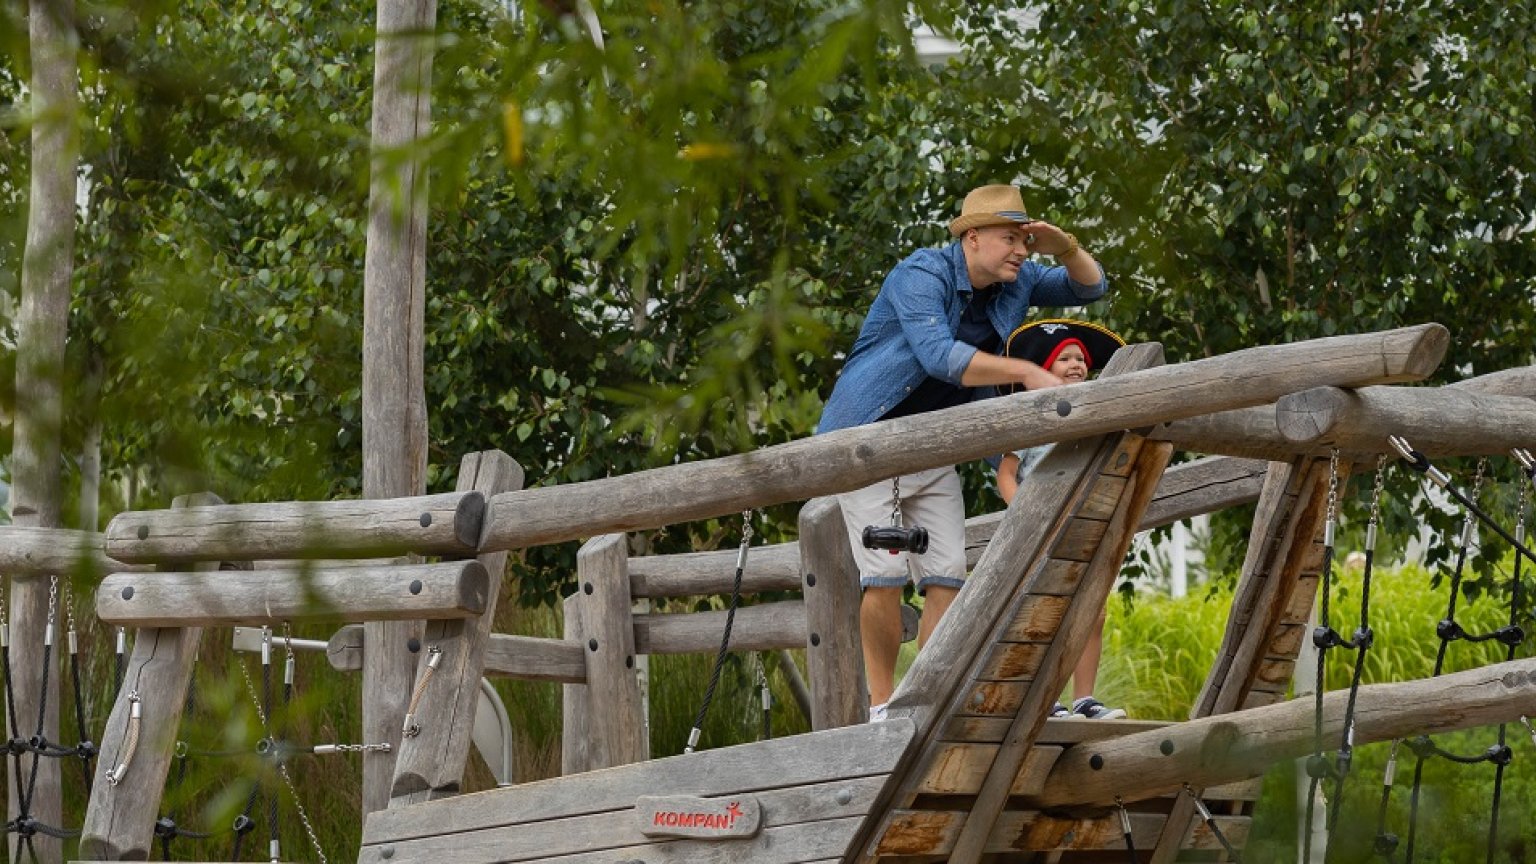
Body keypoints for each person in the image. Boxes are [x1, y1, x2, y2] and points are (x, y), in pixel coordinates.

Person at [816, 184, 1110, 722]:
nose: (1020, 250)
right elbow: (937, 357)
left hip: (937, 443)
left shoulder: (1013, 283)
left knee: (947, 573)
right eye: (1009, 238)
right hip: (868, 441)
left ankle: (924, 702)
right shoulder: (921, 275)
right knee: (884, 573)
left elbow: (1090, 288)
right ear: (971, 238)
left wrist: (1063, 244)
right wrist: (1024, 370)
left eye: (1024, 239)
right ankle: (881, 705)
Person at [995, 318, 1127, 720]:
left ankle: (1085, 698)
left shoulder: (1097, 417)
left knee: (1094, 610)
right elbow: (1005, 473)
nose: (1076, 364)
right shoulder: (1032, 416)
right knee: (1042, 612)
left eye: (1082, 359)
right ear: (1043, 368)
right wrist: (1026, 517)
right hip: (1039, 532)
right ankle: (1042, 698)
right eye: (1064, 358)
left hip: (1085, 526)